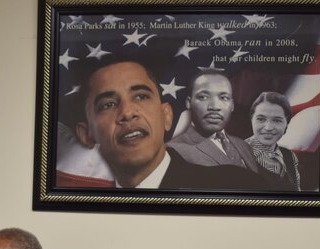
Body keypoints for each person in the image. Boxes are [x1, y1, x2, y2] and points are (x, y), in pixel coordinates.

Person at [73, 60, 272, 191]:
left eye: (141, 96)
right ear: (86, 134)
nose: (127, 112)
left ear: (167, 116)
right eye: (108, 104)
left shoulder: (241, 185)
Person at [168, 70, 259, 172]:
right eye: (203, 97)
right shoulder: (174, 151)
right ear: (188, 102)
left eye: (224, 98)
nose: (215, 107)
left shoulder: (244, 146)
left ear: (232, 105)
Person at [246, 91, 302, 191]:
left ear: (286, 123)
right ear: (251, 120)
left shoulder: (290, 156)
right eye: (261, 119)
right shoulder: (236, 155)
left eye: (277, 120)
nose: (268, 128)